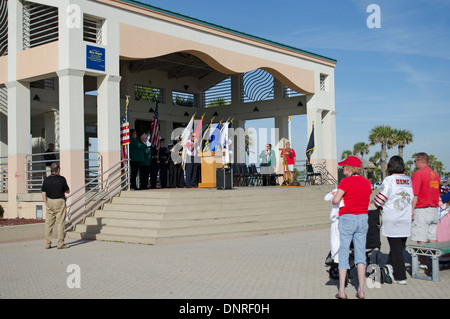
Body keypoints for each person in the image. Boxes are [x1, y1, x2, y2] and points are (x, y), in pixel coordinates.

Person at [332, 156, 372, 299]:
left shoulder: (346, 181)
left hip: (347, 217)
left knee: (344, 252)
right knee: (360, 253)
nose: (343, 169)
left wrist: (334, 197)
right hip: (362, 217)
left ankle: (342, 290)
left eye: (344, 167)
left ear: (350, 168)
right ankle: (361, 289)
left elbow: (336, 200)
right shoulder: (367, 182)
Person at [373, 156, 413, 285]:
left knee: (396, 248)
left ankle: (400, 276)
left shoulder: (389, 180)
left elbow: (381, 197)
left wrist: (373, 203)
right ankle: (389, 266)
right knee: (399, 246)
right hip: (405, 217)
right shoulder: (408, 180)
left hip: (393, 217)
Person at [411, 152, 440, 269]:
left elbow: (415, 194)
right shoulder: (435, 174)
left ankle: (423, 263)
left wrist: (411, 210)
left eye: (414, 161)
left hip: (422, 209)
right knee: (432, 236)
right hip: (434, 209)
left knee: (421, 237)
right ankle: (434, 262)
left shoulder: (418, 174)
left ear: (419, 161)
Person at [41, 162, 70, 249]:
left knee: (48, 224)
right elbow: (67, 191)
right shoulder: (61, 179)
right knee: (60, 222)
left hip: (49, 201)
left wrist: (46, 202)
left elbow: (43, 192)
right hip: (59, 201)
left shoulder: (46, 179)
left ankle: (47, 243)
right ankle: (60, 243)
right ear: (58, 170)